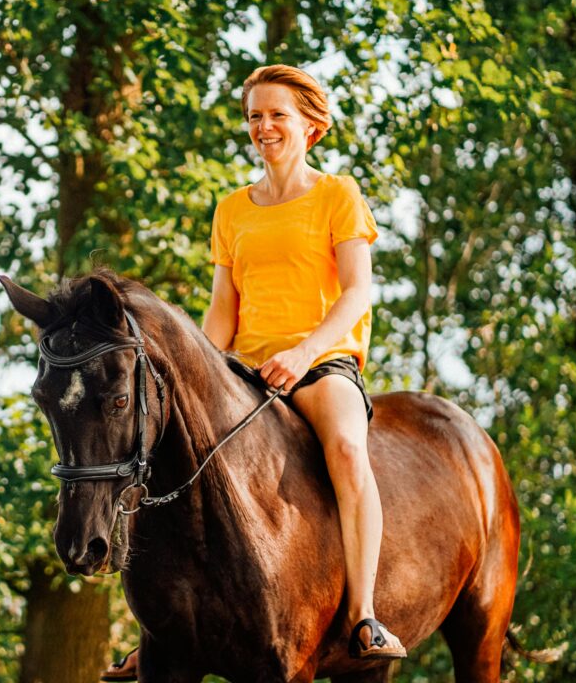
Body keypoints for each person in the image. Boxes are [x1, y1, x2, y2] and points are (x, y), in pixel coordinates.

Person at [99, 64, 404, 682]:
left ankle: (365, 615)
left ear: (310, 126)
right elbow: (221, 309)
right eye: (255, 116)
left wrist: (304, 353)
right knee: (160, 459)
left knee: (347, 447)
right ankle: (157, 629)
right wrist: (195, 373)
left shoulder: (337, 194)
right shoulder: (231, 209)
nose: (264, 126)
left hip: (320, 364)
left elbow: (358, 294)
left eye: (277, 115)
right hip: (243, 368)